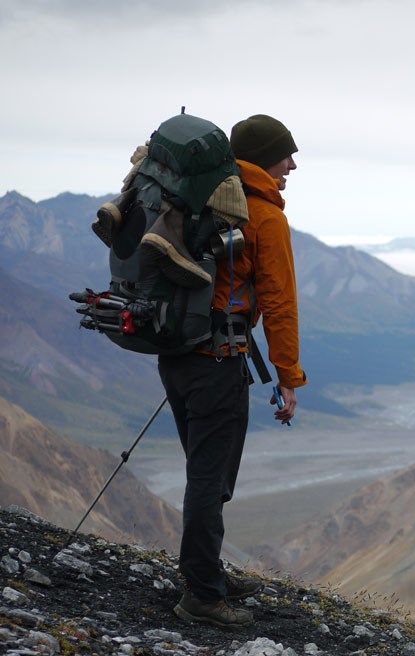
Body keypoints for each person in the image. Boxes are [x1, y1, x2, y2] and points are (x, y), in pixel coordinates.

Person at [160, 114, 308, 628]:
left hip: (176, 355)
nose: (292, 164)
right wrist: (289, 377)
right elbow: (280, 304)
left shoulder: (200, 197)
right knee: (210, 477)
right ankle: (201, 594)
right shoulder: (263, 215)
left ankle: (207, 571)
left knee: (207, 470)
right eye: (285, 154)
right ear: (264, 157)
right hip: (217, 361)